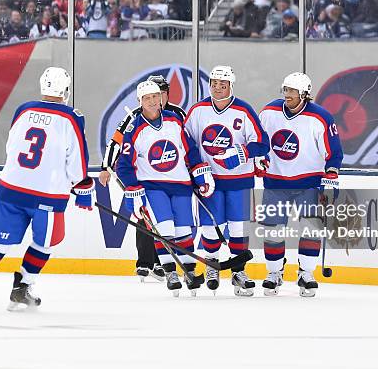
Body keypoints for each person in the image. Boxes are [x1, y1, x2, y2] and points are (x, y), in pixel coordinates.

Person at [0, 67, 95, 311]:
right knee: (45, 242)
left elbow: (12, 146)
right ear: (65, 90)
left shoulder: (24, 109)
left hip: (12, 188)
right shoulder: (72, 117)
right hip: (47, 195)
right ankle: (22, 287)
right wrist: (81, 185)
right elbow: (77, 160)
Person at [116, 81, 215, 296]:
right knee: (166, 229)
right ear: (140, 102)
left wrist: (199, 172)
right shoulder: (134, 128)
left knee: (184, 232)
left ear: (161, 98)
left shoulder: (175, 120)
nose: (152, 101)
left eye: (155, 97)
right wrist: (133, 189)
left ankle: (190, 272)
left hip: (180, 185)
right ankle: (170, 272)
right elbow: (123, 165)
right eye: (147, 98)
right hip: (153, 187)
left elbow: (190, 151)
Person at [184, 66, 269, 296]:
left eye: (223, 85)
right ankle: (212, 266)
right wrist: (197, 169)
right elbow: (186, 142)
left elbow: (263, 143)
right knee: (211, 227)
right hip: (209, 181)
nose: (218, 88)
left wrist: (242, 153)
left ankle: (238, 271)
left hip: (240, 181)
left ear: (231, 86)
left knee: (239, 227)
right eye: (214, 84)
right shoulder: (198, 110)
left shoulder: (243, 110)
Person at [256, 72, 343, 297]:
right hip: (275, 182)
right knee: (273, 231)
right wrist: (259, 157)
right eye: (285, 90)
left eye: (292, 91)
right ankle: (274, 272)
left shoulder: (321, 117)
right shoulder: (269, 112)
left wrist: (332, 170)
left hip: (309, 183)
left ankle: (306, 272)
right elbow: (258, 141)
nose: (287, 95)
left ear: (305, 94)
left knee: (311, 228)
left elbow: (333, 151)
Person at [99, 75, 186, 281]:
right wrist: (106, 166)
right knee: (146, 217)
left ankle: (162, 261)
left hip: (173, 177)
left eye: (161, 93)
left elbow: (188, 142)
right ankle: (147, 262)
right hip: (146, 176)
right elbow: (115, 142)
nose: (158, 98)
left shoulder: (177, 114)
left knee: (171, 220)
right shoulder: (135, 116)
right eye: (152, 94)